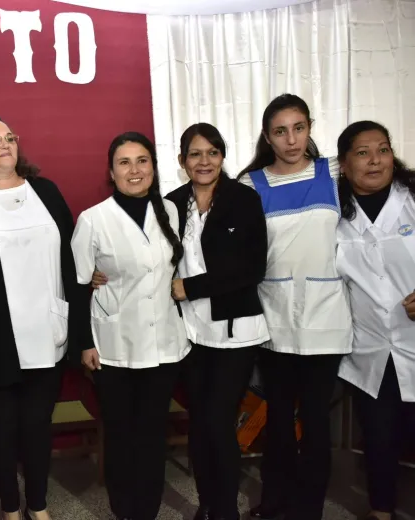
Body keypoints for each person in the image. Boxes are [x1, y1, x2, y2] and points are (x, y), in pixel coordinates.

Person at [0, 117, 89, 520]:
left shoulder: (44, 191)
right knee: (1, 430)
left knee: (37, 427)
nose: (4, 144)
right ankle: (11, 507)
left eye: (9, 137)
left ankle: (38, 504)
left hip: (48, 333)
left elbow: (71, 260)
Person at [236, 94, 352, 520]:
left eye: (299, 128)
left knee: (316, 421)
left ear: (310, 128)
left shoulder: (334, 173)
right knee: (279, 417)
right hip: (276, 319)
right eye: (281, 131)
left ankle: (309, 509)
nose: (291, 140)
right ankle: (276, 501)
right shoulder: (251, 184)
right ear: (267, 137)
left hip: (326, 319)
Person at [71, 131, 189, 520]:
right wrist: (84, 343)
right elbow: (78, 287)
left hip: (163, 345)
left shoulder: (171, 211)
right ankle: (124, 511)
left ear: (153, 167)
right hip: (113, 347)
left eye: (142, 161)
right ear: (111, 171)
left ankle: (147, 511)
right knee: (121, 436)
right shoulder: (93, 219)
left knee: (152, 437)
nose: (134, 170)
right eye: (124, 162)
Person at [167, 123, 269, 520]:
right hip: (190, 333)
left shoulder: (243, 199)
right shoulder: (172, 204)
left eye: (212, 152)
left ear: (223, 156)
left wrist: (190, 287)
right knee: (199, 422)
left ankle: (225, 510)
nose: (204, 161)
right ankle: (207, 502)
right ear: (182, 160)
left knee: (219, 421)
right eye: (195, 154)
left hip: (235, 333)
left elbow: (252, 268)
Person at [334, 121, 415, 520]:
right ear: (344, 164)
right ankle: (381, 511)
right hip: (369, 347)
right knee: (379, 438)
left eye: (383, 150)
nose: (375, 160)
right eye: (363, 153)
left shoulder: (411, 199)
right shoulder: (334, 213)